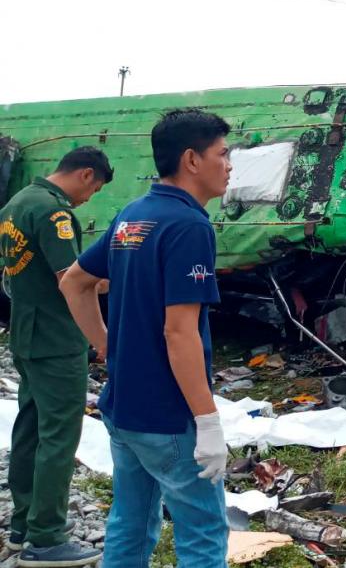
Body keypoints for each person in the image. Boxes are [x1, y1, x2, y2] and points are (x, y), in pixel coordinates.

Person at [60, 110, 233, 566]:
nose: (230, 164)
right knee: (202, 532)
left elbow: (74, 283)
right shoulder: (190, 227)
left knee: (131, 522)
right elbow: (179, 332)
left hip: (123, 408)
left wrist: (106, 344)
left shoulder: (133, 214)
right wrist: (208, 422)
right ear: (192, 160)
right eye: (223, 153)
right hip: (168, 416)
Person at [3, 147, 113, 566]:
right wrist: (108, 280)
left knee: (30, 429)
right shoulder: (53, 213)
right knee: (59, 436)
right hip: (56, 339)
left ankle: (23, 527)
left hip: (27, 334)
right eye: (95, 189)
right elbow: (72, 282)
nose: (90, 198)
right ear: (86, 174)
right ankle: (46, 538)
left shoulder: (17, 204)